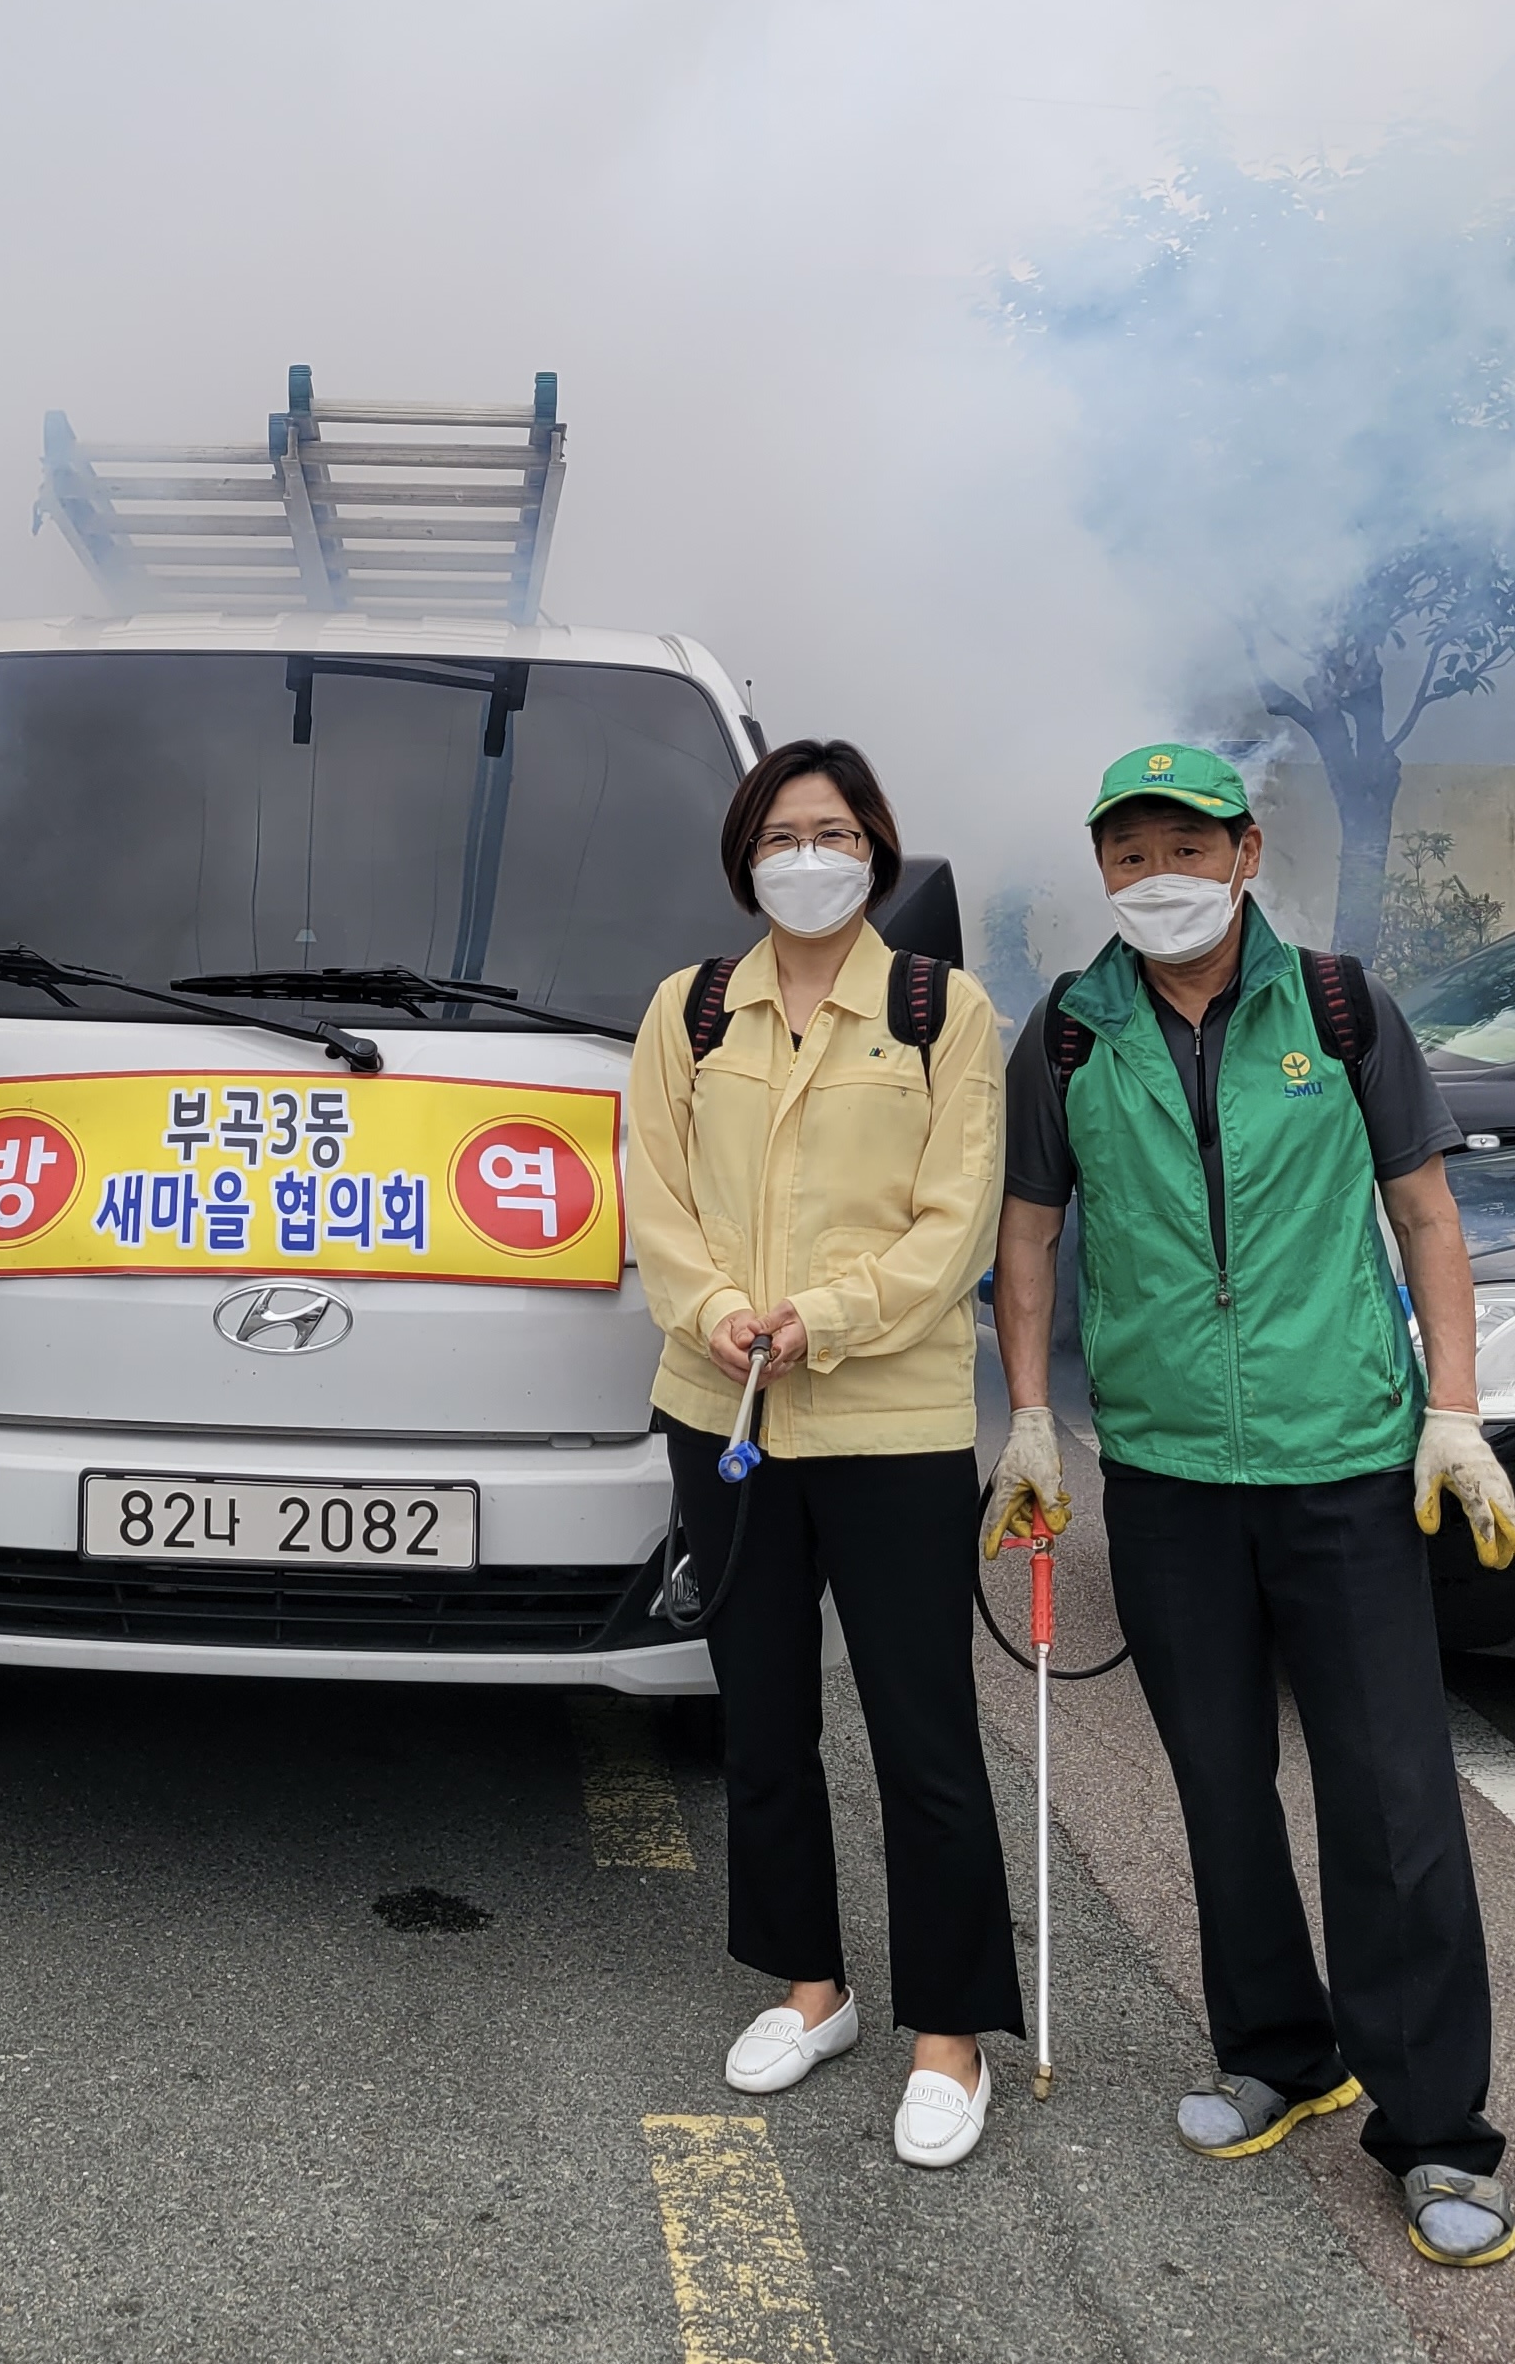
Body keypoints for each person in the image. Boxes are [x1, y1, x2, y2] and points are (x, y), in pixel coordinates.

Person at [986, 743, 1515, 2268]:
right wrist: (1032, 1416)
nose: (1155, 874)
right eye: (1128, 851)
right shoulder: (1072, 1034)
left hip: (1340, 1460)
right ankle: (1284, 2052)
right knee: (1220, 1786)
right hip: (1163, 1472)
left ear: (1245, 850)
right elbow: (1029, 1240)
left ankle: (1437, 2132)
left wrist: (1452, 1408)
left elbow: (1424, 1212)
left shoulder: (1343, 1007)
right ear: (1102, 869)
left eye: (1184, 843)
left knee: (1392, 1799)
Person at [629, 737, 1019, 2172]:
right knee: (766, 1723)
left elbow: (954, 1218)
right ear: (746, 852)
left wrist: (826, 1318)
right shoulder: (693, 1006)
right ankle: (813, 1989)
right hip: (722, 1407)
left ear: (877, 851)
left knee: (924, 1734)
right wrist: (725, 1312)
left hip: (887, 1416)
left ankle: (949, 2033)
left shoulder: (940, 1008)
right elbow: (655, 1194)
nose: (810, 853)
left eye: (838, 832)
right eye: (785, 831)